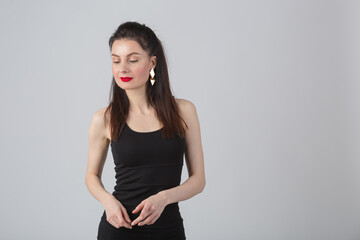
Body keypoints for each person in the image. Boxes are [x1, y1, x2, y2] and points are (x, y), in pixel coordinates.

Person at [85, 21, 206, 240]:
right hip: (119, 228)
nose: (123, 68)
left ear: (152, 62)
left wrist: (163, 198)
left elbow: (198, 180)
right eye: (116, 60)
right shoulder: (103, 118)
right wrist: (108, 202)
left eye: (132, 60)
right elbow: (91, 176)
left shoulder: (184, 111)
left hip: (168, 229)